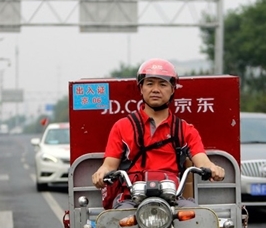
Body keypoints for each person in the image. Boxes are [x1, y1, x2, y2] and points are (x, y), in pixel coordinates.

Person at [92, 58, 225, 208]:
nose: (156, 89)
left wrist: (213, 168)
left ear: (173, 89)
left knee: (195, 218)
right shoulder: (122, 126)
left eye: (162, 84)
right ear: (141, 88)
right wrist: (101, 172)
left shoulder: (185, 129)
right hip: (131, 199)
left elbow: (203, 162)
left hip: (173, 200)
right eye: (150, 84)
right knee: (118, 224)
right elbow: (109, 165)